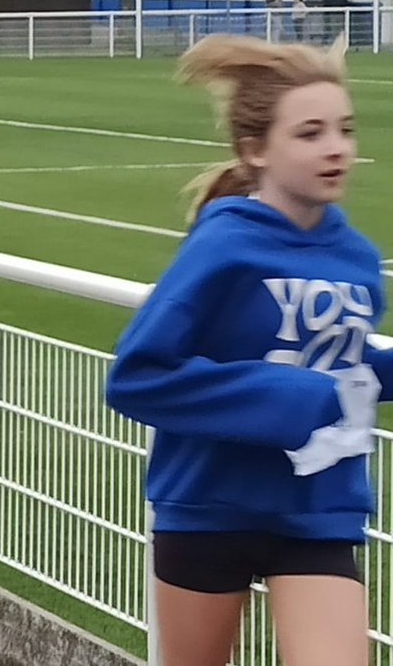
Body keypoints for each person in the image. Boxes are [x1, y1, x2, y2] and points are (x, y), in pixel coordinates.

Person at [105, 34, 390, 666]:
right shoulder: (222, 247)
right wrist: (287, 397)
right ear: (255, 149)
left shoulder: (359, 259)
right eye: (310, 133)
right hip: (209, 507)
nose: (337, 148)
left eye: (344, 129)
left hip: (319, 511)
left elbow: (340, 362)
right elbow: (136, 377)